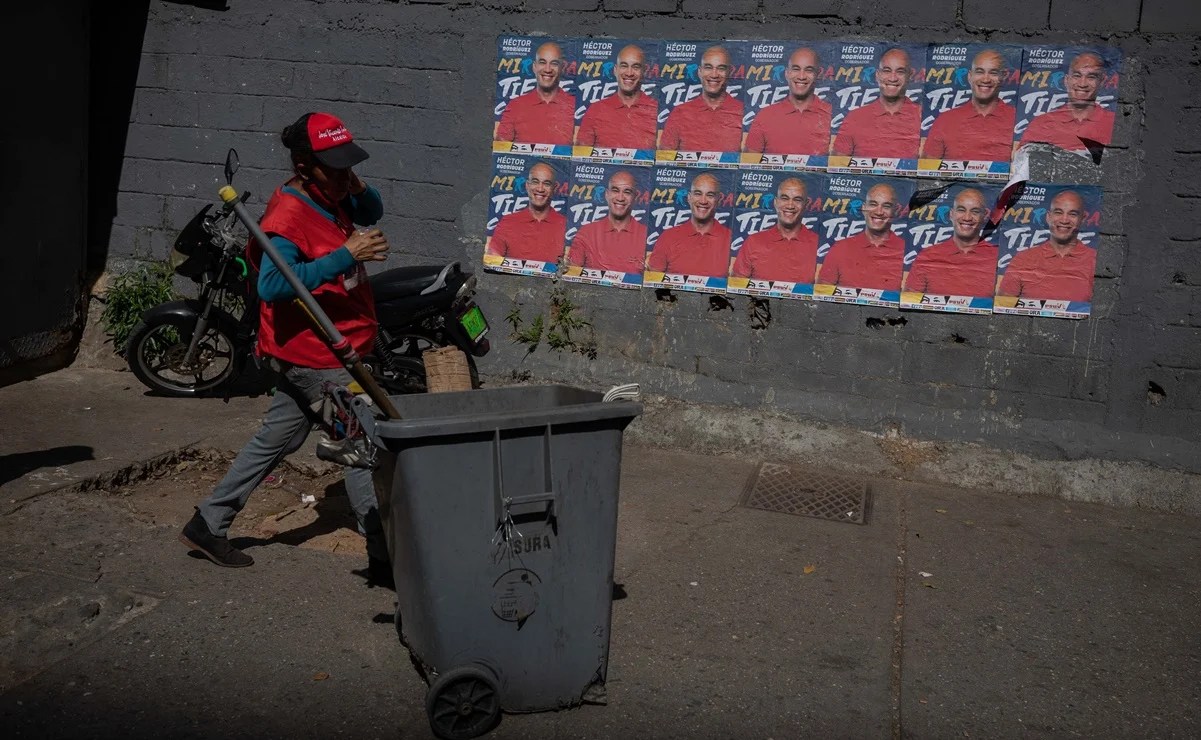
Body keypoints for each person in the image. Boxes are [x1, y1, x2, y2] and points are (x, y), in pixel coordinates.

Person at [179, 112, 390, 577]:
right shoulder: (289, 214)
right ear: (302, 165)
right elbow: (274, 285)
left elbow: (371, 210)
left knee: (280, 435)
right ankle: (386, 553)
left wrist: (353, 184)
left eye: (346, 165)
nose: (341, 176)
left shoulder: (330, 192)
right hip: (318, 355)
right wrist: (346, 255)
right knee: (360, 447)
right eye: (332, 167)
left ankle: (208, 522)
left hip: (314, 348)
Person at [997, 189, 1096, 302]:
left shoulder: (1094, 259)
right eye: (1058, 212)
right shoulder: (1023, 259)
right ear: (1048, 217)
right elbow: (1003, 306)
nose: (1064, 220)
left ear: (1082, 219)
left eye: (1072, 214)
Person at [921, 50, 1016, 162]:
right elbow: (926, 169)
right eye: (979, 72)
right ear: (970, 77)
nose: (986, 79)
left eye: (993, 73)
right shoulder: (945, 120)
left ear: (1004, 76)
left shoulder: (1015, 119)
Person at [903, 188, 999, 296]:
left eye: (975, 211)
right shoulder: (927, 255)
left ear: (985, 216)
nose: (967, 217)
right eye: (961, 210)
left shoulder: (996, 256)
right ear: (951, 214)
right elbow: (910, 300)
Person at [831, 48, 921, 159]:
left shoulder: (920, 115)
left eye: (900, 71)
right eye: (887, 71)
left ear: (910, 75)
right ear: (878, 75)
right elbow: (836, 165)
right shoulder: (855, 118)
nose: (893, 78)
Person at [743, 47, 832, 156]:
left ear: (818, 75)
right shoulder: (765, 116)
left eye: (809, 70)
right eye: (796, 69)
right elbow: (748, 165)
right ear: (787, 73)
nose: (801, 76)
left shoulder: (830, 114)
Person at [816, 182, 905, 291]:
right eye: (873, 204)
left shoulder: (905, 250)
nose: (879, 211)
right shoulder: (841, 248)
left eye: (886, 206)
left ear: (895, 211)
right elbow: (822, 292)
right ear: (864, 208)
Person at [1019, 52, 1114, 152]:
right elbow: (1022, 164)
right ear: (1066, 80)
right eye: (1077, 76)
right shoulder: (1040, 124)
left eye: (1091, 77)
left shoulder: (1114, 123)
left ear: (1102, 82)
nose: (1082, 84)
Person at [730, 177, 819, 284]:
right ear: (776, 202)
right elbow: (736, 287)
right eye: (784, 198)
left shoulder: (817, 244)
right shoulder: (754, 242)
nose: (790, 205)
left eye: (797, 200)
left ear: (806, 204)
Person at [659, 46, 744, 152]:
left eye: (721, 68)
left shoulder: (742, 111)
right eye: (708, 67)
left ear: (730, 72)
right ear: (700, 72)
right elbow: (664, 159)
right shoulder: (680, 113)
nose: (714, 75)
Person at [646, 172, 730, 277]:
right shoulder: (668, 237)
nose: (703, 201)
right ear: (689, 198)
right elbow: (652, 284)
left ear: (718, 200)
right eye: (698, 194)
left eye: (710, 195)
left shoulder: (729, 238)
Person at [575, 44, 657, 150]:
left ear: (644, 71)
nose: (629, 73)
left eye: (636, 67)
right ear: (615, 70)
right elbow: (580, 157)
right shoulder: (596, 110)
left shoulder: (655, 110)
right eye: (624, 66)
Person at [567, 171, 648, 274]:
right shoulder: (586, 233)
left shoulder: (645, 235)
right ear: (607, 194)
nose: (620, 198)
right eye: (615, 190)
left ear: (635, 197)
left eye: (627, 192)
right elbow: (570, 276)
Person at [494, 41, 575, 145]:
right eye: (542, 62)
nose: (547, 69)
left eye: (554, 63)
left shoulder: (573, 105)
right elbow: (501, 148)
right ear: (534, 67)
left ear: (562, 68)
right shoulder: (516, 105)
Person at [486, 162, 567, 264]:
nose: (540, 189)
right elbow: (492, 259)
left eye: (546, 183)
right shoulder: (508, 222)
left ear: (554, 188)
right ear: (527, 186)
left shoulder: (565, 225)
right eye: (535, 182)